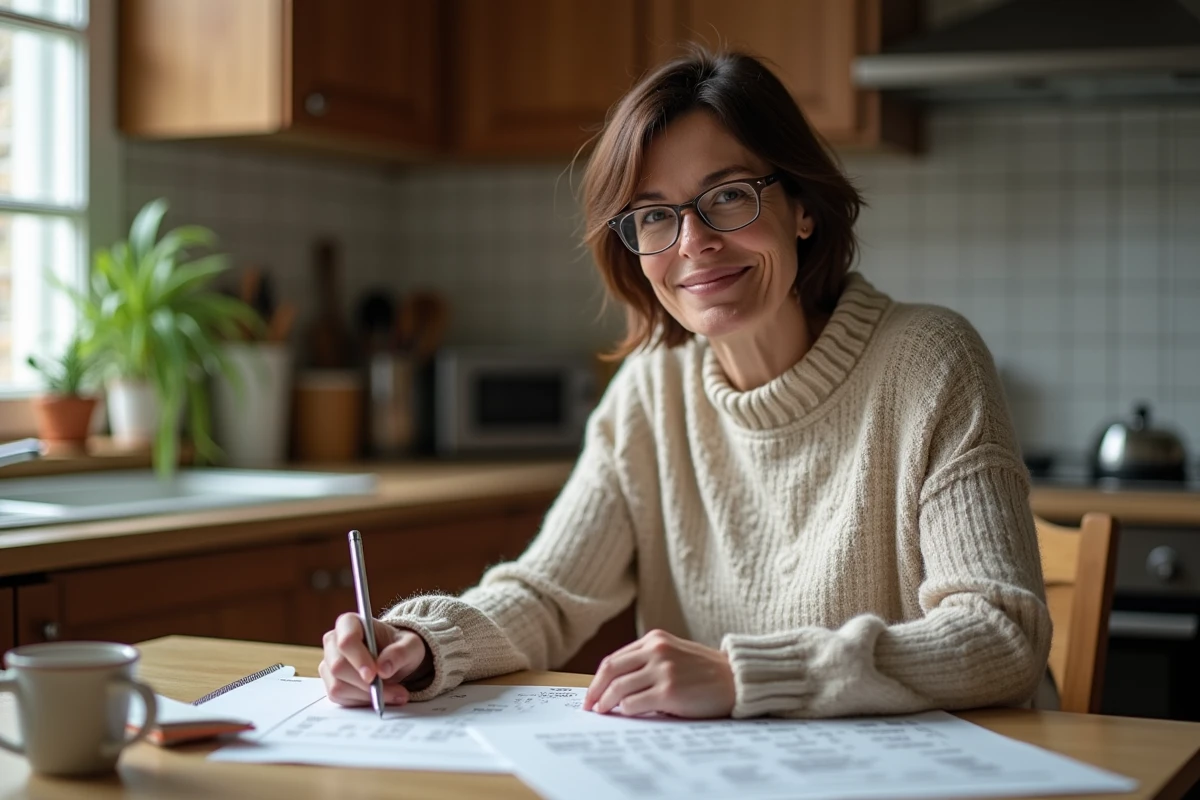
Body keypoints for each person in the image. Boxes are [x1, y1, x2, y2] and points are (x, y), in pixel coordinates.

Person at [319, 47, 1052, 720]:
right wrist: (419, 642)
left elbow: (999, 635)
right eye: (653, 216)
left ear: (802, 206)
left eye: (728, 195)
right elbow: (545, 596)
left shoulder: (929, 360)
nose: (694, 242)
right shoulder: (650, 390)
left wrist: (746, 677)